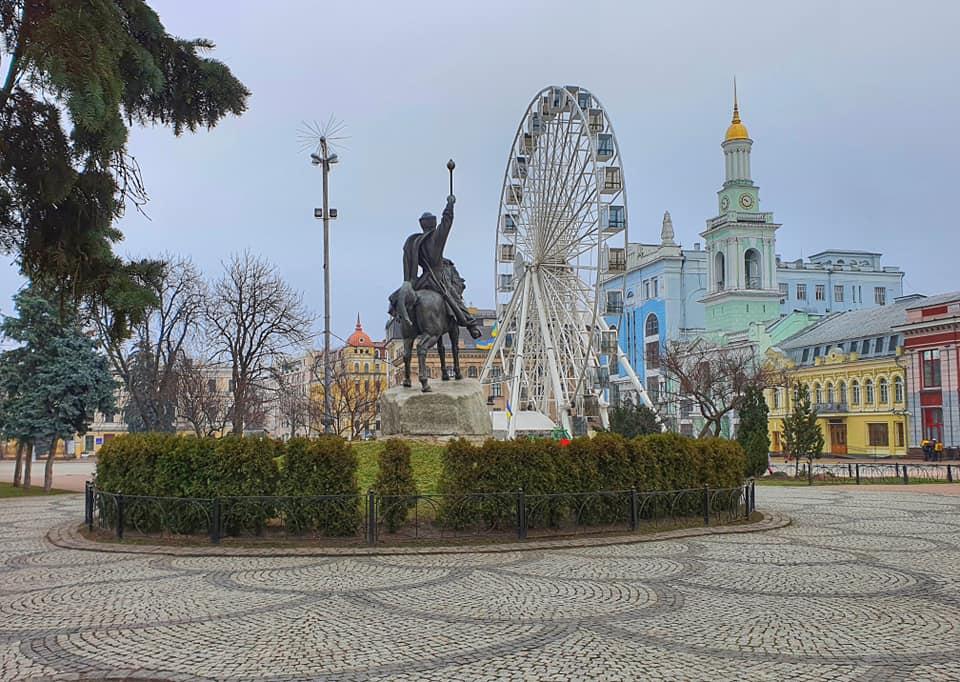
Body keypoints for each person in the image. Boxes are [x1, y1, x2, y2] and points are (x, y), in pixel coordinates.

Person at [393, 195, 482, 339]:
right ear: (433, 224)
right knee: (456, 301)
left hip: (422, 280)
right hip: (438, 280)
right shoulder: (436, 238)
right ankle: (472, 326)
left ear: (422, 225)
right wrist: (450, 204)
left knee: (397, 297)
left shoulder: (415, 242)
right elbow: (446, 222)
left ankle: (398, 314)